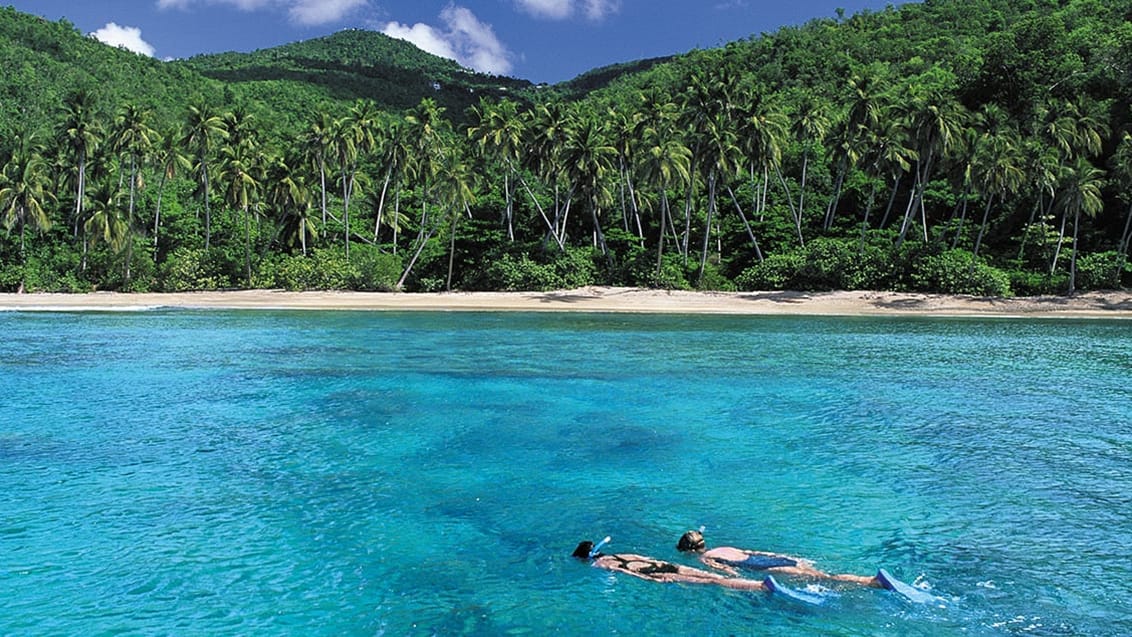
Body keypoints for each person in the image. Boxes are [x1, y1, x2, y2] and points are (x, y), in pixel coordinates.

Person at [676, 530, 880, 587]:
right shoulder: (724, 547)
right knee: (821, 574)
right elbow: (760, 553)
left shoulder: (705, 559)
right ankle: (867, 580)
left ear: (689, 550)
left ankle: (870, 583)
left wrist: (740, 579)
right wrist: (789, 558)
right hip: (777, 561)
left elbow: (728, 572)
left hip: (762, 569)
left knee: (825, 579)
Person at [572, 540, 767, 591]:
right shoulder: (620, 554)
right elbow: (645, 557)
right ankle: (754, 582)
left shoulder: (601, 563)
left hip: (660, 575)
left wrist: (650, 580)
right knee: (716, 577)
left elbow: (624, 571)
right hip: (671, 566)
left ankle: (760, 586)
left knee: (712, 583)